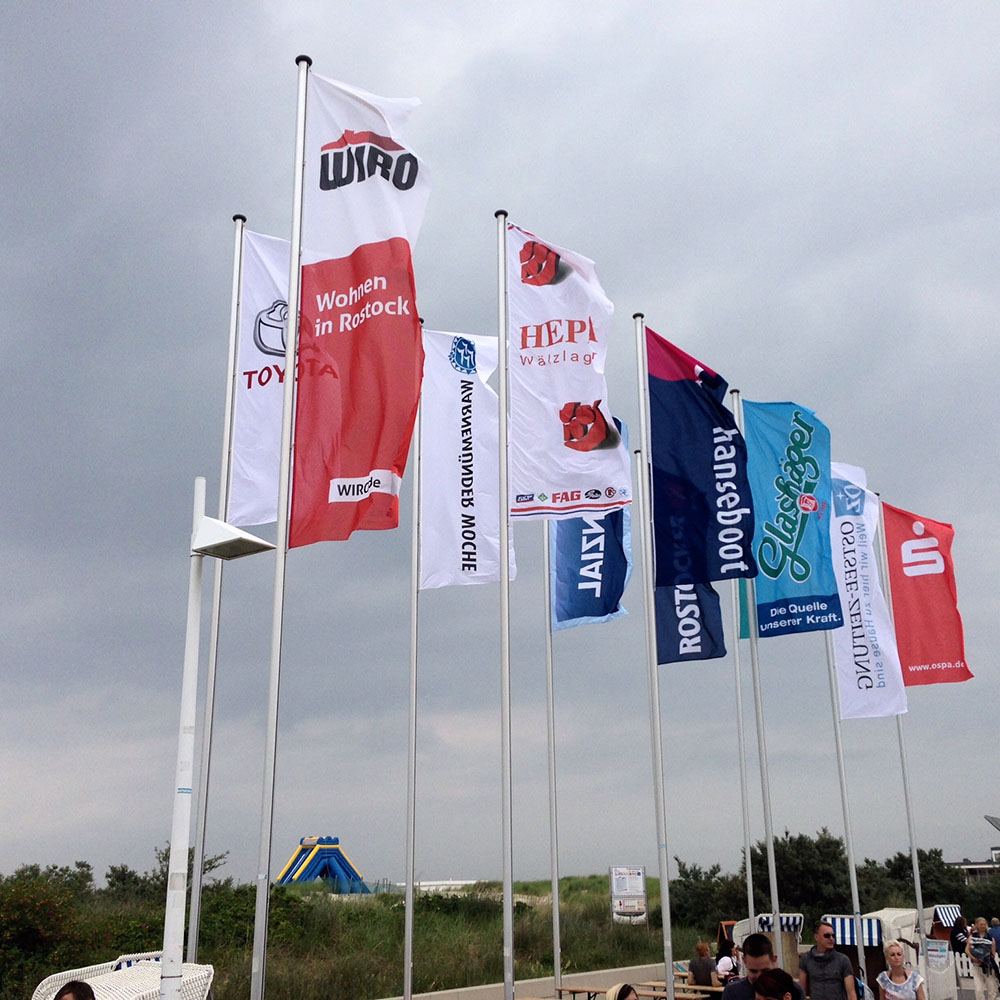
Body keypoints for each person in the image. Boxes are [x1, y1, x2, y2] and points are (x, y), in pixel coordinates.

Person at [722, 932, 806, 1000]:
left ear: (774, 960)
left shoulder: (794, 989)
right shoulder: (732, 992)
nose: (759, 976)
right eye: (753, 971)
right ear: (744, 961)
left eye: (765, 971)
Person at [799, 920, 857, 1000]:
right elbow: (801, 990)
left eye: (833, 936)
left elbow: (851, 993)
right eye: (827, 935)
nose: (831, 939)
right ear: (816, 937)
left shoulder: (843, 960)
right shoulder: (806, 959)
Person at [966, 917, 999, 1000]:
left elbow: (993, 952)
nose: (983, 926)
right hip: (976, 966)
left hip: (988, 967)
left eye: (984, 924)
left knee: (991, 990)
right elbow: (967, 950)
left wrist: (987, 959)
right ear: (977, 925)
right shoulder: (972, 937)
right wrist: (973, 958)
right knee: (978, 990)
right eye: (981, 924)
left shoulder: (990, 938)